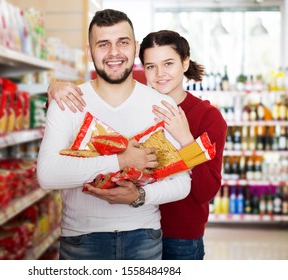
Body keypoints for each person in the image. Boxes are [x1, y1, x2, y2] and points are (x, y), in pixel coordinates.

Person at [48, 30, 227, 260]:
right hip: (138, 230)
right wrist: (55, 89)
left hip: (179, 237)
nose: (160, 74)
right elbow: (95, 98)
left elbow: (205, 192)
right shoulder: (140, 103)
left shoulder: (207, 116)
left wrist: (186, 140)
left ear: (185, 62)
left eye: (169, 63)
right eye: (151, 66)